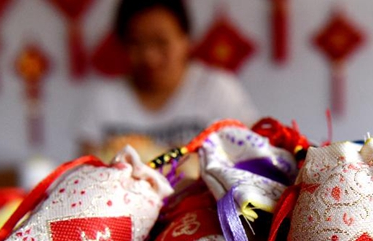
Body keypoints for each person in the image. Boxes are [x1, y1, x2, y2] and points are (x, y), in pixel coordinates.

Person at [77, 0, 258, 160]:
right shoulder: (104, 98)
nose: (150, 57)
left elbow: (251, 156)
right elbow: (85, 169)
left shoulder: (218, 89)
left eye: (161, 42)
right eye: (136, 43)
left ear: (185, 40)